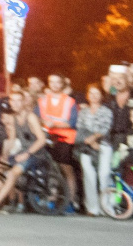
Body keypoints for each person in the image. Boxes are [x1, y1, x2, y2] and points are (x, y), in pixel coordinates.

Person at [0, 91, 48, 212]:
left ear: (23, 102)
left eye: (18, 100)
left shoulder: (31, 117)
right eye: (12, 100)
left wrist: (27, 154)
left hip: (36, 153)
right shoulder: (14, 117)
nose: (14, 103)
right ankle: (8, 201)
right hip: (22, 152)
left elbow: (42, 139)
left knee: (12, 174)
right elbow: (12, 139)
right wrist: (4, 155)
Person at [98, 67, 133, 205]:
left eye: (120, 78)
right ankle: (106, 203)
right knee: (105, 172)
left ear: (127, 79)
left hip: (129, 140)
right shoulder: (109, 97)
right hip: (109, 139)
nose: (117, 82)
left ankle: (121, 202)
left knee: (123, 171)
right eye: (114, 79)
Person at [37, 74, 79, 212]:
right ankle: (51, 198)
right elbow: (37, 118)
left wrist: (53, 124)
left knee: (66, 169)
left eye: (57, 82)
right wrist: (45, 123)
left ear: (62, 84)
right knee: (49, 169)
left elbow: (72, 123)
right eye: (51, 82)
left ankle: (71, 201)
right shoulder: (42, 100)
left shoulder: (70, 101)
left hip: (65, 139)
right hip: (48, 138)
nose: (54, 85)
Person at [74, 84, 113, 216]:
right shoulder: (83, 112)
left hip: (103, 144)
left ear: (101, 95)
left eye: (97, 93)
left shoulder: (106, 111)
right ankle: (92, 207)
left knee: (104, 174)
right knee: (88, 175)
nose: (94, 96)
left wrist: (94, 139)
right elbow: (80, 128)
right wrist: (89, 141)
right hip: (85, 145)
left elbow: (105, 128)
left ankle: (106, 206)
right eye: (91, 93)